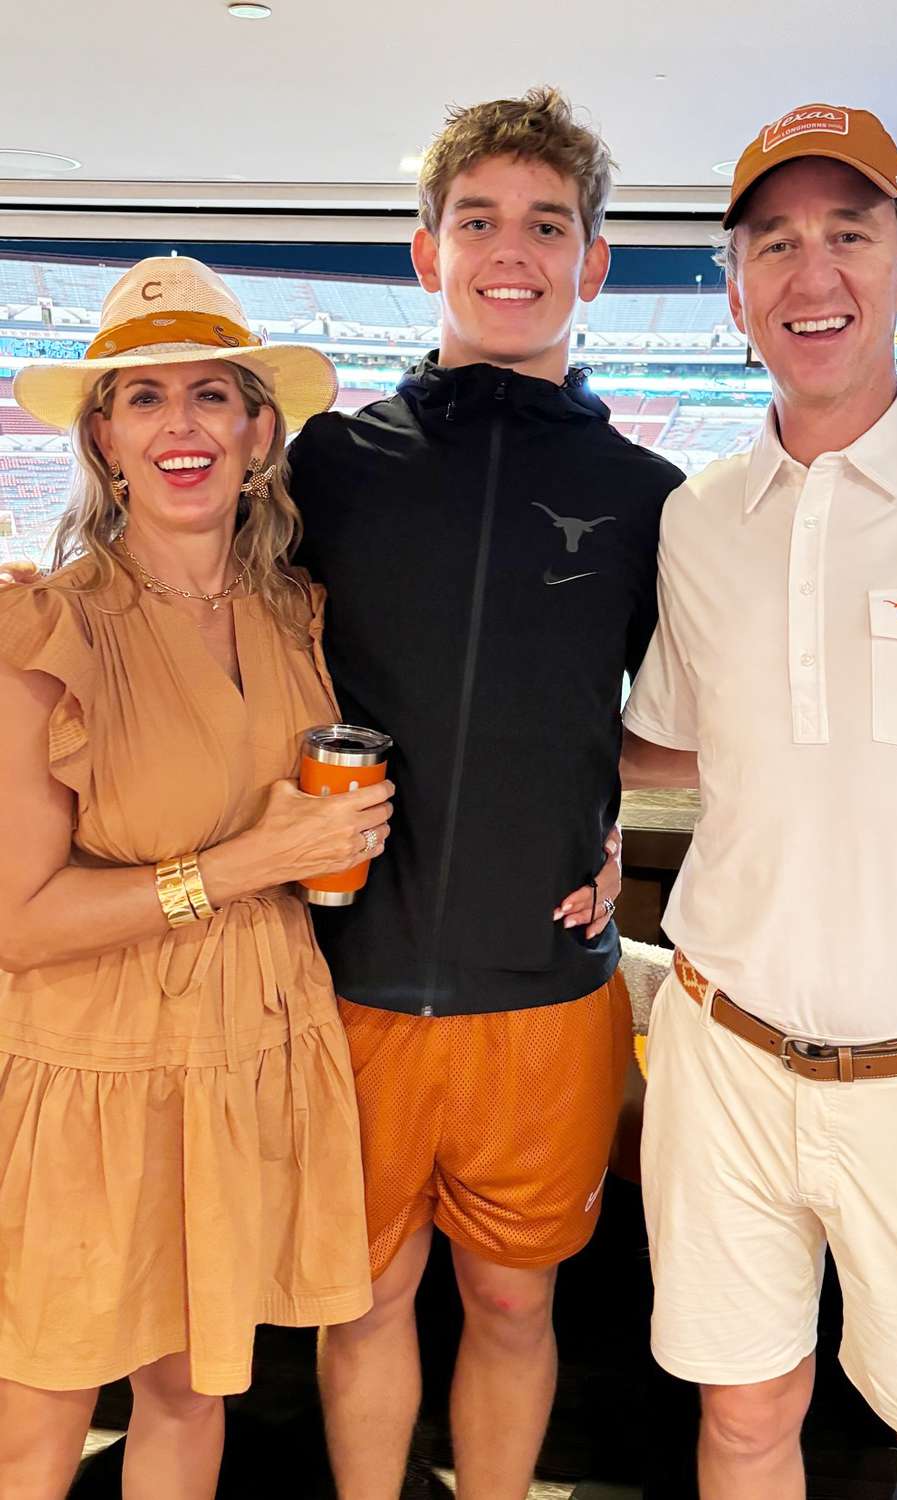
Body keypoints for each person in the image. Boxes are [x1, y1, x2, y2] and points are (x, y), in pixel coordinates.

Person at [287, 88, 688, 1500]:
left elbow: (689, 726)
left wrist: (598, 794)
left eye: (546, 225)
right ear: (425, 251)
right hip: (353, 979)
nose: (508, 251)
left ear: (593, 263)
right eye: (477, 221)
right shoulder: (327, 464)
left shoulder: (655, 498)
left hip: (546, 990)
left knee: (517, 1307)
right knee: (367, 1300)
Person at [622, 101, 897, 1500]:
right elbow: (671, 743)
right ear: (734, 290)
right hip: (724, 1055)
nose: (811, 273)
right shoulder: (698, 516)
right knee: (740, 1421)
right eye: (774, 242)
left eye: (850, 233)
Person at [0, 256, 393, 1500]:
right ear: (103, 438)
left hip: (253, 1048)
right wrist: (243, 867)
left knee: (189, 1393)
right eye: (145, 398)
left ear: (259, 430)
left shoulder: (302, 615)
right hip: (88, 1072)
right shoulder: (43, 629)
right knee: (34, 1419)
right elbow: (18, 923)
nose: (184, 427)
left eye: (212, 396)